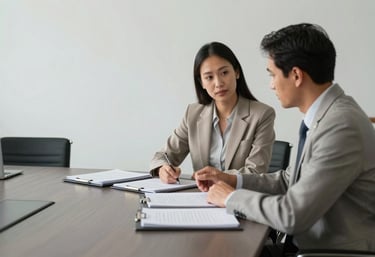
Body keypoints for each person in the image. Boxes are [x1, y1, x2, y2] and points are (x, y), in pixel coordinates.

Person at [195, 23, 375, 254]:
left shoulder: (341, 126)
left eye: (272, 74)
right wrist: (231, 180)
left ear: (296, 75)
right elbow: (288, 181)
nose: (271, 84)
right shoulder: (327, 115)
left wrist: (232, 198)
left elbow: (292, 215)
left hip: (330, 252)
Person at [150, 42, 275, 184]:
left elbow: (256, 172)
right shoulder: (193, 113)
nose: (218, 83)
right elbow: (162, 156)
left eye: (224, 73)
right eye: (209, 77)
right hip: (201, 199)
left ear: (237, 72)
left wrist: (217, 177)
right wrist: (163, 169)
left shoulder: (262, 114)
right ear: (201, 82)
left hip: (238, 200)